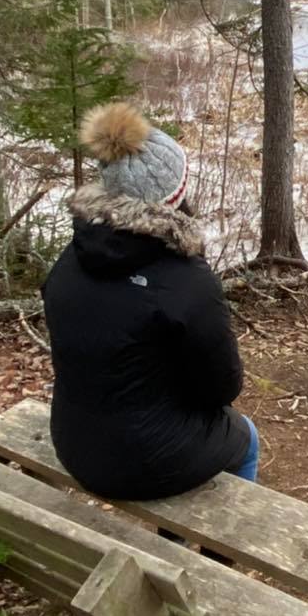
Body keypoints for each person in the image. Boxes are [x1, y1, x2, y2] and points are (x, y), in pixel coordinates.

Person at [42, 101, 258, 501]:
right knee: (247, 438)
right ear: (174, 196)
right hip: (146, 464)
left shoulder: (70, 258)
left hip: (73, 442)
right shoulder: (188, 281)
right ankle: (218, 553)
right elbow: (223, 388)